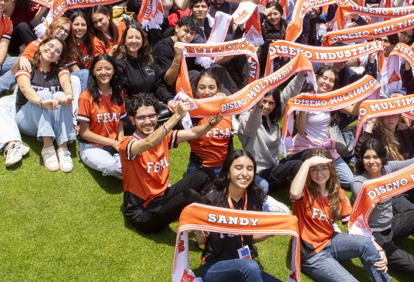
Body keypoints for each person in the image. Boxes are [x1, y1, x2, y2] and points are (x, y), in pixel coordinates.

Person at [351, 139, 414, 282]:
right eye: (367, 157)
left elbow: (413, 163)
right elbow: (373, 215)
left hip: (390, 224)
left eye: (375, 157)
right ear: (361, 159)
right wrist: (380, 203)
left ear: (382, 158)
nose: (371, 161)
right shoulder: (359, 182)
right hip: (375, 235)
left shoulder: (387, 169)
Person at [119, 93, 219, 234]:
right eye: (141, 117)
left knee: (205, 174)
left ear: (157, 116)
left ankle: (215, 211)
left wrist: (212, 122)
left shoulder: (163, 137)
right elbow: (150, 142)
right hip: (142, 212)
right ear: (132, 120)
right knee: (190, 195)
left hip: (163, 197)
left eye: (151, 116)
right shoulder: (127, 144)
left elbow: (193, 133)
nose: (147, 121)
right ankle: (208, 229)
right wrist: (177, 115)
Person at [290, 150, 389, 282]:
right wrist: (307, 163)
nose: (319, 174)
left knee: (366, 244)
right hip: (311, 254)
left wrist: (379, 249)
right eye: (314, 169)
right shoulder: (304, 190)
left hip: (330, 241)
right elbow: (295, 193)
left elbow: (354, 225)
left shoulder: (338, 193)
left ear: (331, 169)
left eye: (324, 168)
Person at [194, 150, 284, 282]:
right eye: (238, 168)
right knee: (250, 267)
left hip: (245, 264)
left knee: (251, 268)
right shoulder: (212, 198)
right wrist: (196, 224)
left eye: (250, 169)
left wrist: (274, 229)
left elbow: (251, 237)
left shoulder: (255, 198)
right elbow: (200, 241)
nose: (245, 173)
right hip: (215, 267)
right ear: (228, 172)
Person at [0, 37, 75, 170]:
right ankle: (48, 147)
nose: (52, 51)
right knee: (44, 95)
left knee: (60, 95)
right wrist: (41, 101)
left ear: (58, 58)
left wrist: (68, 95)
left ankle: (63, 148)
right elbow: (24, 87)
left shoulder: (60, 69)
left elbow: (66, 82)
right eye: (50, 46)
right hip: (27, 120)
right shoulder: (27, 65)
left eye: (57, 51)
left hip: (51, 120)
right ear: (41, 46)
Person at [76, 54, 127, 178]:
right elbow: (84, 133)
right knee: (115, 167)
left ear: (114, 70)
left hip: (115, 143)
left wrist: (121, 144)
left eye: (108, 68)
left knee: (140, 159)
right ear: (93, 72)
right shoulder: (86, 96)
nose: (104, 72)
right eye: (99, 69)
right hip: (92, 146)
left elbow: (119, 123)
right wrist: (113, 142)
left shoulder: (118, 91)